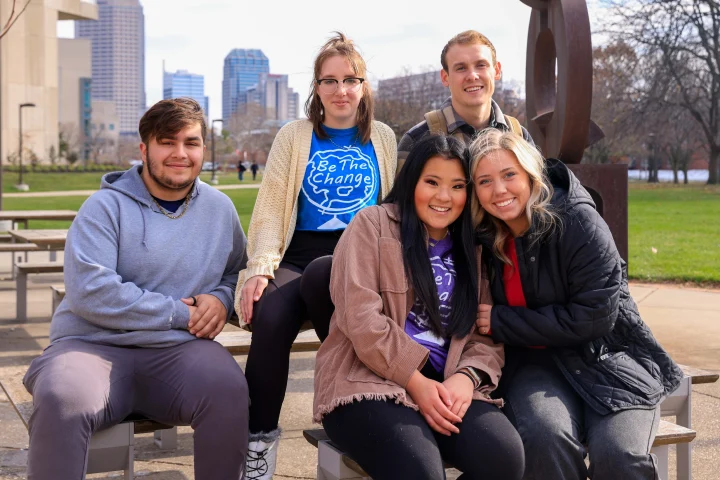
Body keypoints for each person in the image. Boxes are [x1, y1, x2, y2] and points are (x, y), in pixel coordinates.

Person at [22, 98, 249, 480]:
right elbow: (90, 291)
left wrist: (221, 300)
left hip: (179, 350)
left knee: (228, 389)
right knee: (63, 399)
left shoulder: (220, 209)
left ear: (203, 150)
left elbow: (237, 274)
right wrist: (182, 313)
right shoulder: (104, 207)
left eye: (191, 143)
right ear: (144, 149)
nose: (180, 153)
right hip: (90, 346)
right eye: (167, 142)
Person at [469, 129, 683, 480]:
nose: (499, 190)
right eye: (485, 181)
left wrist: (500, 320)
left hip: (608, 357)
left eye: (509, 175)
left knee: (619, 455)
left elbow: (593, 318)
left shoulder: (577, 220)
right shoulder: (483, 238)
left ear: (530, 174)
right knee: (543, 438)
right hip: (534, 366)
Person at [314, 134, 524, 480]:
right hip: (370, 384)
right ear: (412, 181)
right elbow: (362, 319)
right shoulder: (372, 225)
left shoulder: (474, 246)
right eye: (432, 182)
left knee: (504, 458)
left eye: (457, 186)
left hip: (445, 385)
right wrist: (415, 382)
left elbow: (485, 335)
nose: (444, 197)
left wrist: (466, 379)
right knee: (421, 471)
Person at [235, 32, 397, 479]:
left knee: (345, 308)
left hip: (361, 261)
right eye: (330, 80)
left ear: (363, 86)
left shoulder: (382, 137)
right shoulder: (295, 136)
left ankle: (355, 418)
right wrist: (260, 268)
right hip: (300, 256)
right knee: (268, 318)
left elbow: (395, 209)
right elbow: (269, 209)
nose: (341, 89)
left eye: (351, 79)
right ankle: (258, 444)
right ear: (316, 87)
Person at [398, 30, 534, 167]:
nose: (472, 76)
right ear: (445, 77)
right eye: (461, 68)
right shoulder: (417, 139)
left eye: (481, 65)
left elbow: (540, 188)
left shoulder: (520, 136)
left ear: (497, 70)